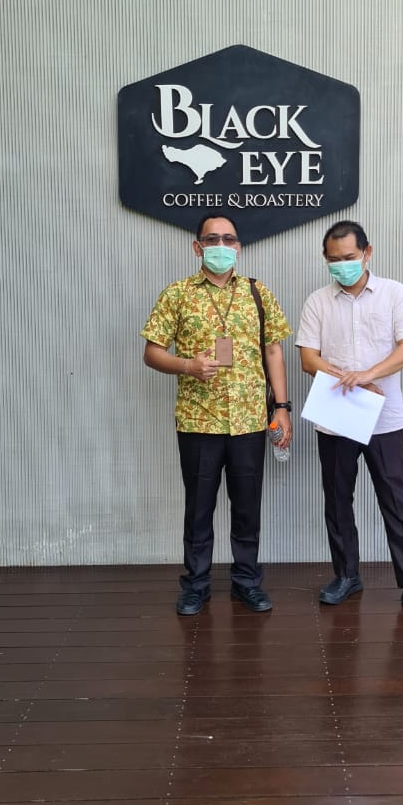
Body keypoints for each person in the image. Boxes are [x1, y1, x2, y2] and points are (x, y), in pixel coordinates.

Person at [141, 212, 292, 615]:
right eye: (212, 240)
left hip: (248, 420)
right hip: (198, 420)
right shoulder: (177, 294)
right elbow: (152, 352)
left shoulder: (258, 293)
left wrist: (282, 408)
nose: (221, 246)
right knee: (199, 508)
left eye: (229, 239)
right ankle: (195, 585)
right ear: (197, 247)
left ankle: (247, 582)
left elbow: (273, 351)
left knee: (247, 507)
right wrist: (187, 366)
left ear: (239, 247)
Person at [296, 220, 403, 621]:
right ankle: (346, 576)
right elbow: (308, 358)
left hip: (385, 417)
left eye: (349, 257)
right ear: (325, 258)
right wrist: (350, 378)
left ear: (367, 253)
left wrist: (366, 375)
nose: (342, 265)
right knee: (337, 499)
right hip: (336, 416)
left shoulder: (394, 293)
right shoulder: (318, 302)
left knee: (396, 500)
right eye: (334, 259)